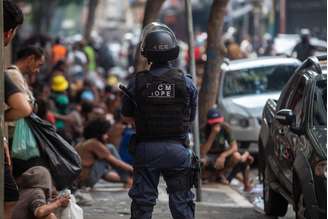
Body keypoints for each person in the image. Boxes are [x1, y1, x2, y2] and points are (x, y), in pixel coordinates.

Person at [122, 22, 198, 219]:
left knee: (143, 204)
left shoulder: (136, 82)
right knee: (182, 203)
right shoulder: (186, 82)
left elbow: (126, 116)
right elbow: (190, 117)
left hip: (146, 150)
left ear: (146, 53)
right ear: (173, 51)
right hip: (178, 151)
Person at [3, 1, 33, 218]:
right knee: (10, 195)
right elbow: (24, 109)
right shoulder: (9, 74)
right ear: (9, 33)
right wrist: (4, 117)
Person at [200, 108, 253, 191]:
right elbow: (203, 152)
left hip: (221, 155)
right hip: (209, 155)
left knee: (237, 157)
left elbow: (234, 147)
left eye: (218, 122)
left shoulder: (225, 128)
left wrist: (223, 156)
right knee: (201, 161)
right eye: (214, 123)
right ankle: (209, 175)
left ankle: (221, 174)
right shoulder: (204, 129)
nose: (217, 125)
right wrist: (213, 135)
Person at [76, 117, 133, 188]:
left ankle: (127, 180)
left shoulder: (82, 142)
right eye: (105, 134)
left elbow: (105, 174)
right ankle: (127, 179)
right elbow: (117, 163)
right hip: (86, 180)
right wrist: (135, 169)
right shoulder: (93, 143)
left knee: (105, 158)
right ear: (99, 133)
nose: (107, 136)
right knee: (110, 148)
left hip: (81, 179)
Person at [6, 46, 45, 136]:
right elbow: (24, 106)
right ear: (31, 59)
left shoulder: (19, 76)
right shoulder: (13, 75)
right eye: (39, 65)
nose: (38, 70)